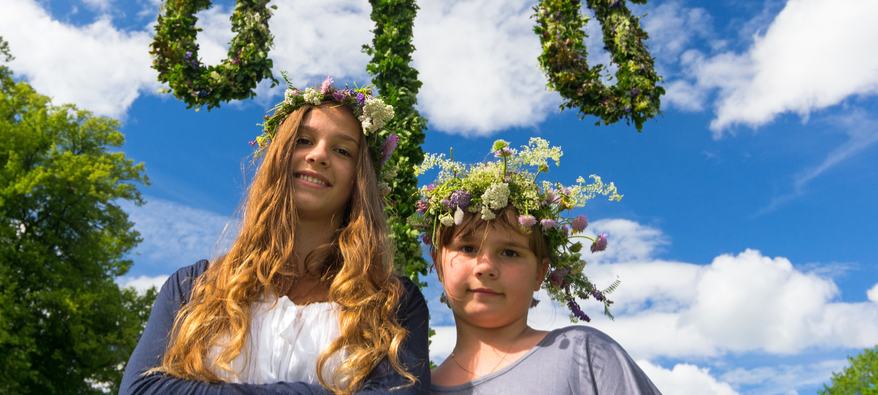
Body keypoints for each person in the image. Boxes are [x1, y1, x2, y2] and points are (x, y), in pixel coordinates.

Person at [119, 81, 429, 395]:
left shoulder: (393, 302)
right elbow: (142, 389)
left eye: (342, 150)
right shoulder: (191, 287)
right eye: (304, 140)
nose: (319, 155)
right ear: (278, 156)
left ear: (360, 178)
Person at [415, 139, 661, 395]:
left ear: (540, 273)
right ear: (438, 263)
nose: (485, 267)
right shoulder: (412, 390)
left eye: (510, 252)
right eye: (468, 249)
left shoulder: (584, 357)